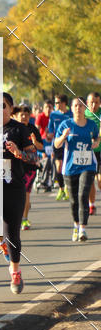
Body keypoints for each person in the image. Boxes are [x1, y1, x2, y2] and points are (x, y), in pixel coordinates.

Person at [0, 93, 37, 300]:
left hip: (13, 188)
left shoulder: (19, 129)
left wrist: (18, 152)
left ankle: (15, 272)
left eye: (2, 106)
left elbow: (34, 158)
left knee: (12, 235)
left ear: (10, 109)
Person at [54, 97, 101, 241]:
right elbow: (56, 144)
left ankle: (82, 229)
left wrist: (95, 142)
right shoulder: (66, 124)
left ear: (84, 108)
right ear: (72, 107)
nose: (78, 108)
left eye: (81, 106)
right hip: (70, 168)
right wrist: (63, 136)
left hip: (88, 165)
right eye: (76, 106)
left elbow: (98, 137)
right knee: (74, 200)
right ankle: (76, 225)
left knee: (83, 195)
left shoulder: (92, 124)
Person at [17, 104, 43, 230]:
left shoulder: (33, 129)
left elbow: (41, 147)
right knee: (16, 195)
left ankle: (24, 219)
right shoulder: (13, 128)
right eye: (21, 114)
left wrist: (34, 142)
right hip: (15, 167)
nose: (24, 117)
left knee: (25, 194)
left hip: (30, 167)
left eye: (26, 115)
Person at [47, 94, 70, 200]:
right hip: (57, 144)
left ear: (64, 103)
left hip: (69, 144)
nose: (55, 104)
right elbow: (50, 129)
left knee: (67, 167)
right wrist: (49, 135)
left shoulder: (71, 114)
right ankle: (61, 189)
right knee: (58, 167)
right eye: (55, 102)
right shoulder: (53, 114)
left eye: (57, 102)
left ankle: (67, 187)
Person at [84, 92, 101, 214]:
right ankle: (92, 205)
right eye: (91, 102)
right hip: (88, 152)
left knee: (100, 181)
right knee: (90, 181)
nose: (94, 105)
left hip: (100, 151)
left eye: (96, 102)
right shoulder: (83, 114)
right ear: (87, 103)